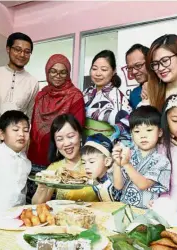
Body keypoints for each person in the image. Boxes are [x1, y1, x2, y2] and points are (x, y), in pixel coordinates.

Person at [26, 54, 85, 203]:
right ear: (47, 72)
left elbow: (77, 129)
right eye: (53, 71)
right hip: (34, 159)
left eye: (62, 72)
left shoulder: (75, 96)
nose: (57, 75)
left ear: (68, 74)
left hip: (60, 162)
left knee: (57, 208)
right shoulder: (41, 95)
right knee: (35, 207)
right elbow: (34, 127)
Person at [0, 33, 38, 149]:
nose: (22, 54)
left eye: (27, 51)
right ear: (8, 49)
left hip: (14, 145)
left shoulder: (33, 82)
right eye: (17, 49)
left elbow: (30, 115)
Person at [112, 106, 171, 209]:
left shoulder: (161, 161)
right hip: (124, 209)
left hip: (147, 212)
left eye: (149, 130)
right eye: (137, 131)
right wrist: (117, 164)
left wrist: (126, 164)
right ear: (131, 134)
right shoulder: (128, 154)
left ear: (160, 132)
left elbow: (143, 184)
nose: (143, 135)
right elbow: (118, 186)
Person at [32, 114, 98, 204]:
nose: (66, 143)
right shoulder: (54, 169)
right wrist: (41, 187)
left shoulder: (95, 161)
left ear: (80, 136)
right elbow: (37, 205)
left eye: (70, 136)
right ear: (55, 143)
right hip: (64, 216)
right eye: (60, 139)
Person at [83, 50, 132, 144]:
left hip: (106, 147)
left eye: (104, 69)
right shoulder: (86, 93)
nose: (98, 73)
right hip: (84, 144)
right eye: (94, 68)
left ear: (113, 71)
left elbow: (128, 125)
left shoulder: (119, 97)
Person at [81, 133, 121, 202]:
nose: (86, 167)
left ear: (107, 161)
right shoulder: (94, 180)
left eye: (92, 162)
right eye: (84, 162)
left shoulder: (115, 179)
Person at [125, 44, 150, 109]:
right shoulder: (134, 94)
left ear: (150, 62)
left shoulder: (166, 87)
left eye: (138, 65)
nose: (134, 72)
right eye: (130, 68)